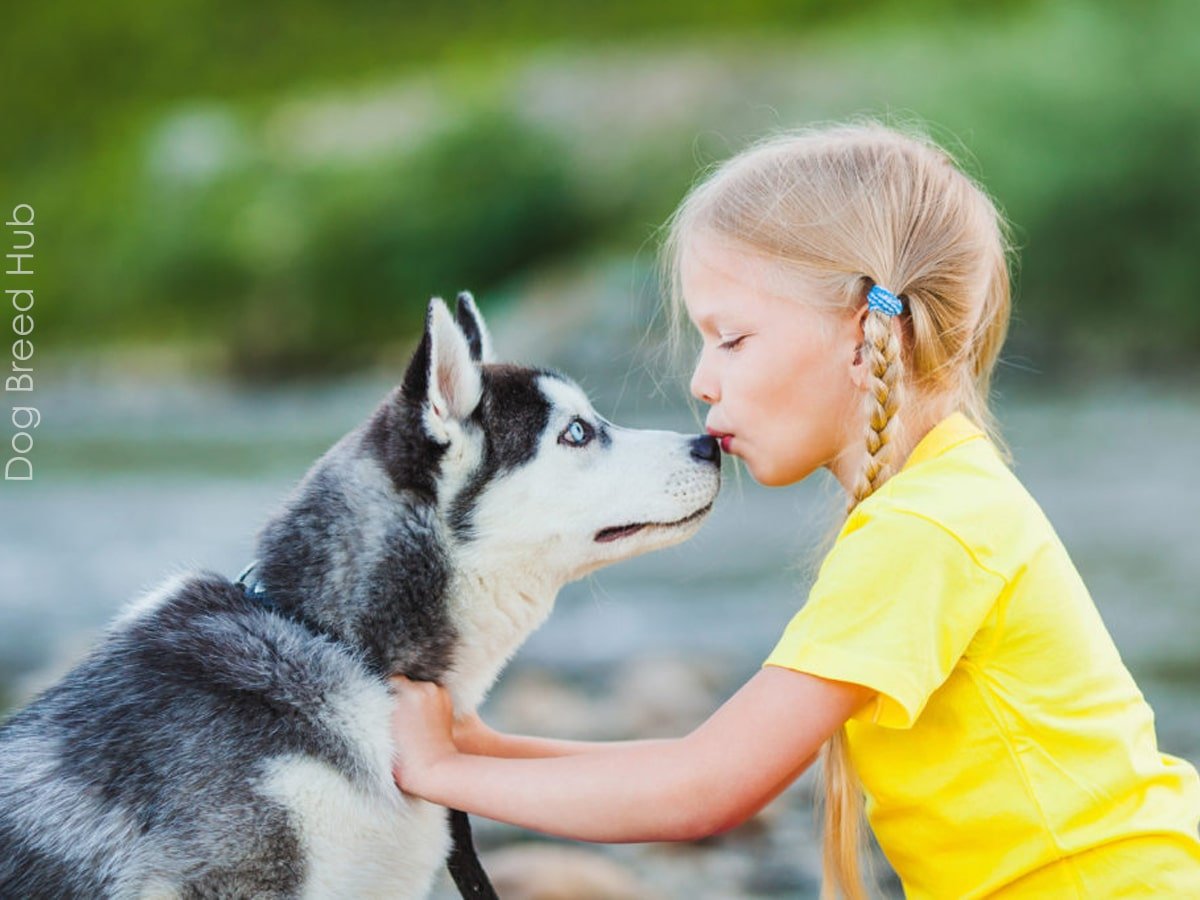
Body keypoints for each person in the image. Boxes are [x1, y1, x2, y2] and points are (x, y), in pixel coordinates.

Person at [389, 120, 1200, 898]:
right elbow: (700, 762)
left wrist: (443, 773)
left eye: (732, 339)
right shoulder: (942, 497)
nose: (703, 380)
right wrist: (486, 750)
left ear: (861, 332)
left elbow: (703, 789)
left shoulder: (923, 529)